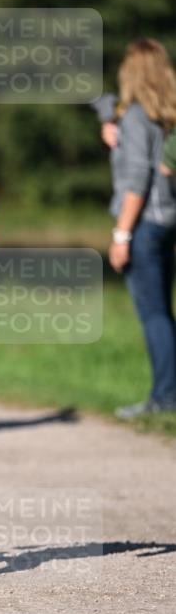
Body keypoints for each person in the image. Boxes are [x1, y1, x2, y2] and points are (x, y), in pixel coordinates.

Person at [98, 39, 176, 418]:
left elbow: (135, 182)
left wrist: (121, 236)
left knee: (154, 314)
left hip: (143, 223)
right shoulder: (167, 115)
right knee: (165, 311)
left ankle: (164, 397)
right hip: (169, 221)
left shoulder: (134, 117)